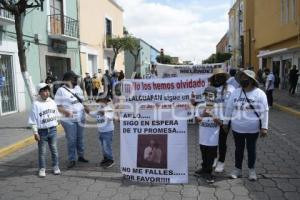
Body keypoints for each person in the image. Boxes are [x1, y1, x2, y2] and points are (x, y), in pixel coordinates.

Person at [224, 70, 269, 181]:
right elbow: (229, 108)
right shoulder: (236, 92)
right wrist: (225, 123)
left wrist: (264, 127)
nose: (243, 80)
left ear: (252, 80)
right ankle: (237, 170)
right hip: (237, 128)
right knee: (238, 149)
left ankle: (251, 170)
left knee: (251, 149)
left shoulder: (259, 93)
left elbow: (264, 111)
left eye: (246, 78)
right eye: (242, 78)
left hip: (252, 129)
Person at [54, 70, 90, 169]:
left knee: (80, 139)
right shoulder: (61, 90)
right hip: (68, 120)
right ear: (67, 80)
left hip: (81, 118)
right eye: (74, 78)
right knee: (71, 140)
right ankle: (72, 159)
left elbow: (81, 100)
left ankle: (81, 156)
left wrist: (86, 107)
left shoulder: (78, 88)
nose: (76, 80)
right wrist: (65, 112)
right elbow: (57, 106)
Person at [28, 83, 60, 177]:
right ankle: (42, 168)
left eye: (47, 91)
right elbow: (33, 120)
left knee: (54, 150)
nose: (46, 93)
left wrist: (57, 122)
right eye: (44, 91)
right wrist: (35, 132)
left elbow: (56, 114)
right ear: (40, 93)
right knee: (42, 152)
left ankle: (56, 166)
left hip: (53, 130)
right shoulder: (36, 104)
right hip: (42, 132)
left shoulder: (52, 102)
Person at [209, 68, 235, 173]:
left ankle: (221, 162)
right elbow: (208, 105)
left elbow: (231, 106)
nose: (218, 78)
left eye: (221, 76)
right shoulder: (210, 88)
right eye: (216, 76)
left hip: (225, 121)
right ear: (213, 78)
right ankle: (214, 159)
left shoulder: (231, 88)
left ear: (224, 77)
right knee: (213, 141)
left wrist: (225, 121)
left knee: (222, 142)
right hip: (213, 120)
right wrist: (213, 116)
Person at [194, 86, 222, 183]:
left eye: (211, 95)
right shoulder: (200, 106)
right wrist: (204, 115)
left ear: (214, 96)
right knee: (204, 154)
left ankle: (209, 173)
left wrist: (213, 116)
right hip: (203, 136)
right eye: (206, 95)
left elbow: (221, 123)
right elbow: (197, 120)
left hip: (213, 137)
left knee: (211, 156)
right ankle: (203, 169)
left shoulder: (219, 106)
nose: (208, 97)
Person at [89, 96, 115, 168]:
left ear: (106, 101)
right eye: (100, 101)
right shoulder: (99, 108)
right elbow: (93, 114)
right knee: (103, 147)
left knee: (107, 146)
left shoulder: (109, 109)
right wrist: (87, 111)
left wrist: (104, 113)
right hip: (101, 131)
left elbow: (110, 118)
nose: (101, 102)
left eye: (102, 101)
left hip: (108, 131)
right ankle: (106, 158)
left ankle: (110, 160)